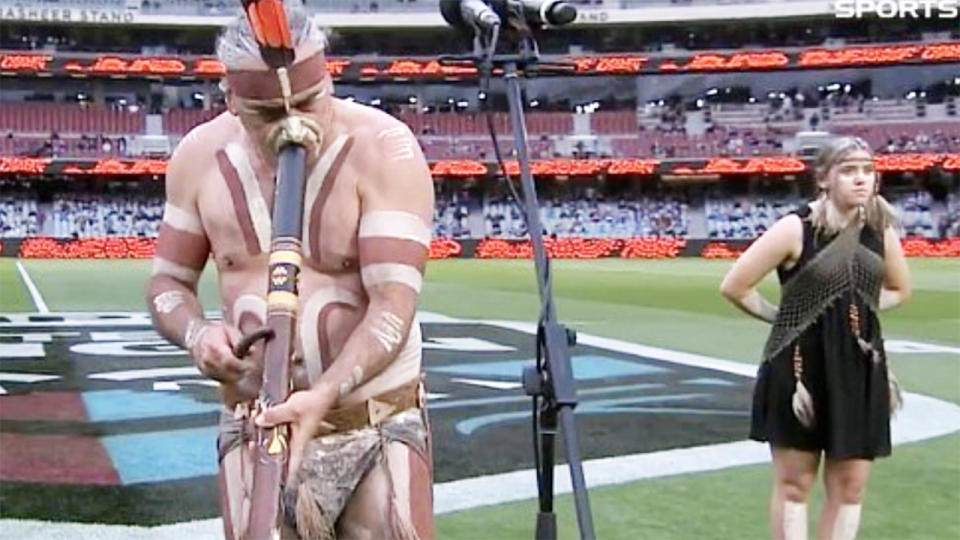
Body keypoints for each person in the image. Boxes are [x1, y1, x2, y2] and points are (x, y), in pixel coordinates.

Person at [145, 7, 435, 539]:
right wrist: (198, 334)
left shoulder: (384, 148)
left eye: (307, 103)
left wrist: (322, 395)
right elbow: (168, 284)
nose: (292, 124)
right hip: (256, 422)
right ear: (230, 99)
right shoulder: (197, 158)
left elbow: (394, 301)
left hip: (370, 421)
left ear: (329, 78)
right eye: (266, 113)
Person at [720, 136, 911, 540]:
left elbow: (899, 289)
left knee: (851, 489)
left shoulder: (880, 231)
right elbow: (736, 286)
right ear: (824, 178)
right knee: (795, 487)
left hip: (859, 369)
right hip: (799, 369)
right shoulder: (795, 229)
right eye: (848, 171)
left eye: (867, 170)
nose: (861, 179)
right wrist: (788, 318)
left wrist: (854, 312)